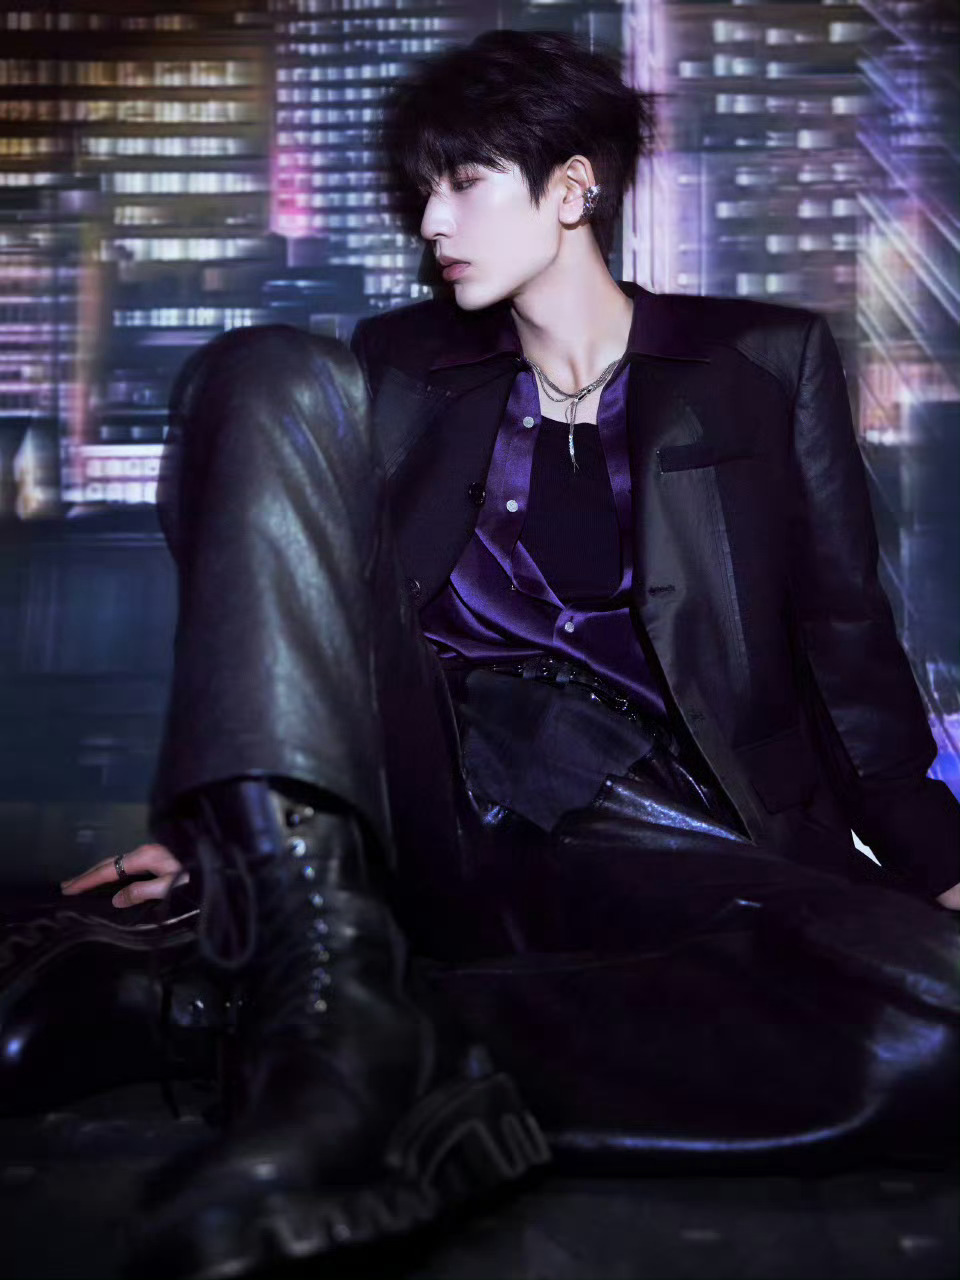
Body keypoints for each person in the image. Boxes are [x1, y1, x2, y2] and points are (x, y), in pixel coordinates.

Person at [39, 24, 960, 1278]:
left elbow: (845, 642)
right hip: (438, 779)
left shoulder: (759, 363)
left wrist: (938, 859)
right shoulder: (395, 365)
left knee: (933, 1001)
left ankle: (309, 1026)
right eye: (421, 191)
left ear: (573, 188)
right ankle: (337, 981)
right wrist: (238, 823)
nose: (432, 221)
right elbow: (308, 585)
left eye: (465, 182)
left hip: (664, 815)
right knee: (267, 369)